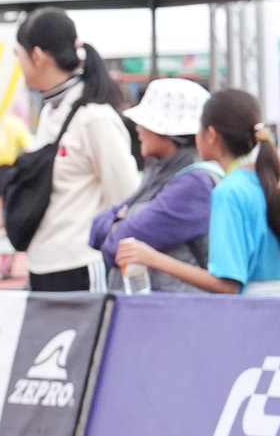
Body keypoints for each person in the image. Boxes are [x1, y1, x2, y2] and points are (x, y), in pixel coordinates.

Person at [112, 87, 280, 295]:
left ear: (211, 135)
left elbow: (228, 285)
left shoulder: (229, 192)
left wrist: (153, 259)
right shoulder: (268, 181)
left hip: (249, 309)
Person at [11, 8, 135, 291]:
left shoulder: (95, 118)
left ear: (37, 56)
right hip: (43, 263)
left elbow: (125, 195)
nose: (18, 65)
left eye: (19, 55)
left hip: (82, 263)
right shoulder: (51, 111)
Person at [86, 78, 216, 292]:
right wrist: (119, 223)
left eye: (145, 123)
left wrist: (121, 221)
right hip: (158, 306)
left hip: (175, 309)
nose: (138, 129)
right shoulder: (162, 172)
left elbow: (117, 244)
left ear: (168, 131)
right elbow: (95, 229)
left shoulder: (194, 184)